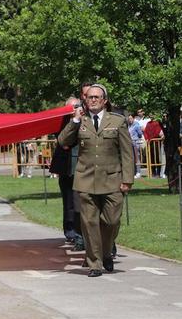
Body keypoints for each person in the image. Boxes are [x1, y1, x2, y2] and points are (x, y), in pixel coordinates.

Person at [57, 84, 133, 277]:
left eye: (96, 97)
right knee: (89, 223)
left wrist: (127, 179)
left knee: (111, 221)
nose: (92, 100)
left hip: (112, 180)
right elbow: (63, 141)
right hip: (86, 180)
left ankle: (106, 252)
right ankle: (95, 263)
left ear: (104, 100)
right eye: (89, 97)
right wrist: (74, 120)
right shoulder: (79, 121)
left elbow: (127, 153)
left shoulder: (117, 121)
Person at [49, 97, 83, 248]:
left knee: (79, 203)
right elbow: (64, 141)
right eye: (71, 107)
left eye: (76, 106)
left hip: (79, 167)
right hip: (66, 168)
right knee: (68, 201)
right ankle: (70, 232)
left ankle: (79, 233)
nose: (74, 109)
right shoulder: (62, 122)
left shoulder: (83, 120)